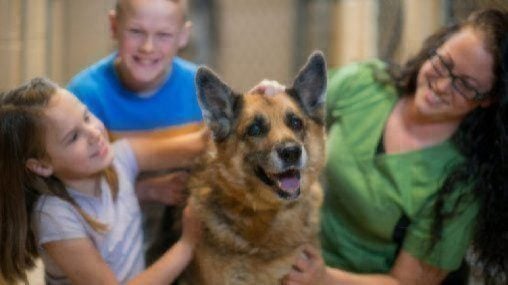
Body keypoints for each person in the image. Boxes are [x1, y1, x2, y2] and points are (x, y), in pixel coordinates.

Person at [256, 8, 508, 285]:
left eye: (465, 85)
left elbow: (407, 282)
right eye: (444, 64)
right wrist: (272, 100)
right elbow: (295, 114)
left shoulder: (459, 184)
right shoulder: (367, 84)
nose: (443, 84)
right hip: (306, 254)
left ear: (488, 100)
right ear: (435, 49)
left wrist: (325, 279)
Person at [0, 77, 206, 284]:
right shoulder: (55, 217)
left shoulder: (120, 158)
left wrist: (144, 190)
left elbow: (197, 145)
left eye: (87, 116)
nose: (94, 133)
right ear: (42, 166)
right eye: (73, 137)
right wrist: (187, 245)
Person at [66, 0, 203, 261]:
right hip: (107, 236)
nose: (148, 47)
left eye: (163, 35)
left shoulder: (200, 88)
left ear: (183, 36)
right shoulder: (84, 96)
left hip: (181, 231)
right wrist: (147, 189)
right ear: (114, 25)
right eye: (136, 31)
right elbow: (69, 190)